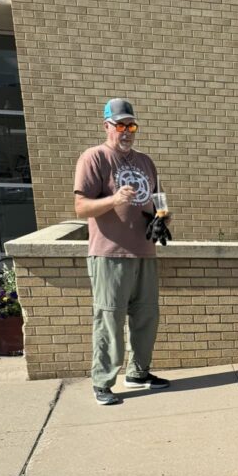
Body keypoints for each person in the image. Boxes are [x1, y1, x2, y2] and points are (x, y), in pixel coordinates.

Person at [74, 98, 171, 405]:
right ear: (107, 126)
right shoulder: (95, 158)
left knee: (147, 318)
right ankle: (102, 382)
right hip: (109, 254)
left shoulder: (146, 162)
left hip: (144, 252)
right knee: (109, 320)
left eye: (131, 125)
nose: (127, 131)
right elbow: (80, 207)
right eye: (120, 125)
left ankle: (138, 374)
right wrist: (113, 200)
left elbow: (160, 200)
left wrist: (162, 218)